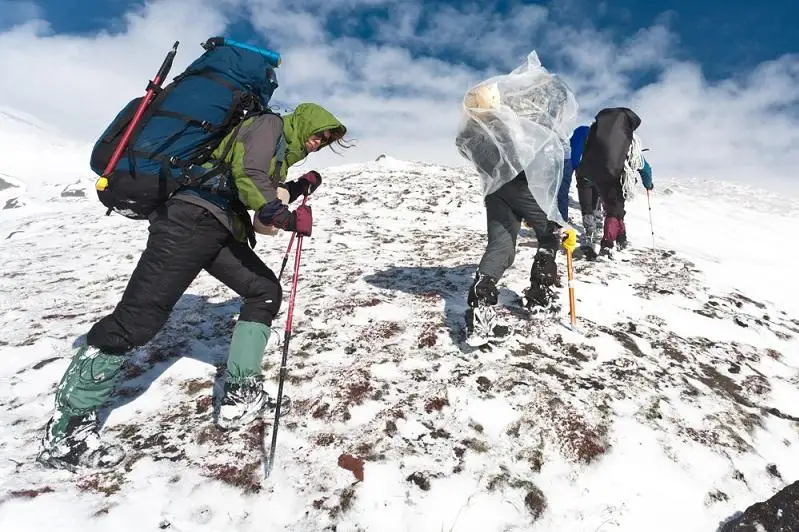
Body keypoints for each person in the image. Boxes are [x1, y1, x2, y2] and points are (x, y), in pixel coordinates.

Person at [38, 103, 348, 471]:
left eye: (325, 141)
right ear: (306, 122)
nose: (317, 142)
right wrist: (281, 214)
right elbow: (249, 173)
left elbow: (251, 184)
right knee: (136, 321)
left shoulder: (281, 148)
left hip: (217, 225)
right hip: (189, 222)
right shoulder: (269, 125)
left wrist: (296, 188)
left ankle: (241, 392)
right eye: (318, 134)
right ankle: (67, 432)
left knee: (264, 290)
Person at [456, 82, 568, 347]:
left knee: (501, 246)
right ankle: (539, 295)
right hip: (522, 188)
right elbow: (532, 155)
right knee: (550, 235)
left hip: (494, 192)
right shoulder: (507, 122)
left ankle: (481, 312)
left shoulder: (468, 132)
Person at [575, 107, 653, 259]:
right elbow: (644, 167)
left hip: (598, 178)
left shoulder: (597, 136)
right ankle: (607, 245)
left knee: (615, 208)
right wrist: (648, 184)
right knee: (614, 210)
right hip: (617, 178)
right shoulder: (629, 141)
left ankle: (621, 238)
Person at [570, 124, 604, 258]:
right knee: (596, 201)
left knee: (586, 205)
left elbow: (575, 152)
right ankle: (598, 228)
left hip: (585, 173)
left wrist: (574, 168)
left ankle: (590, 233)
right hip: (601, 174)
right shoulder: (607, 135)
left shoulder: (582, 131)